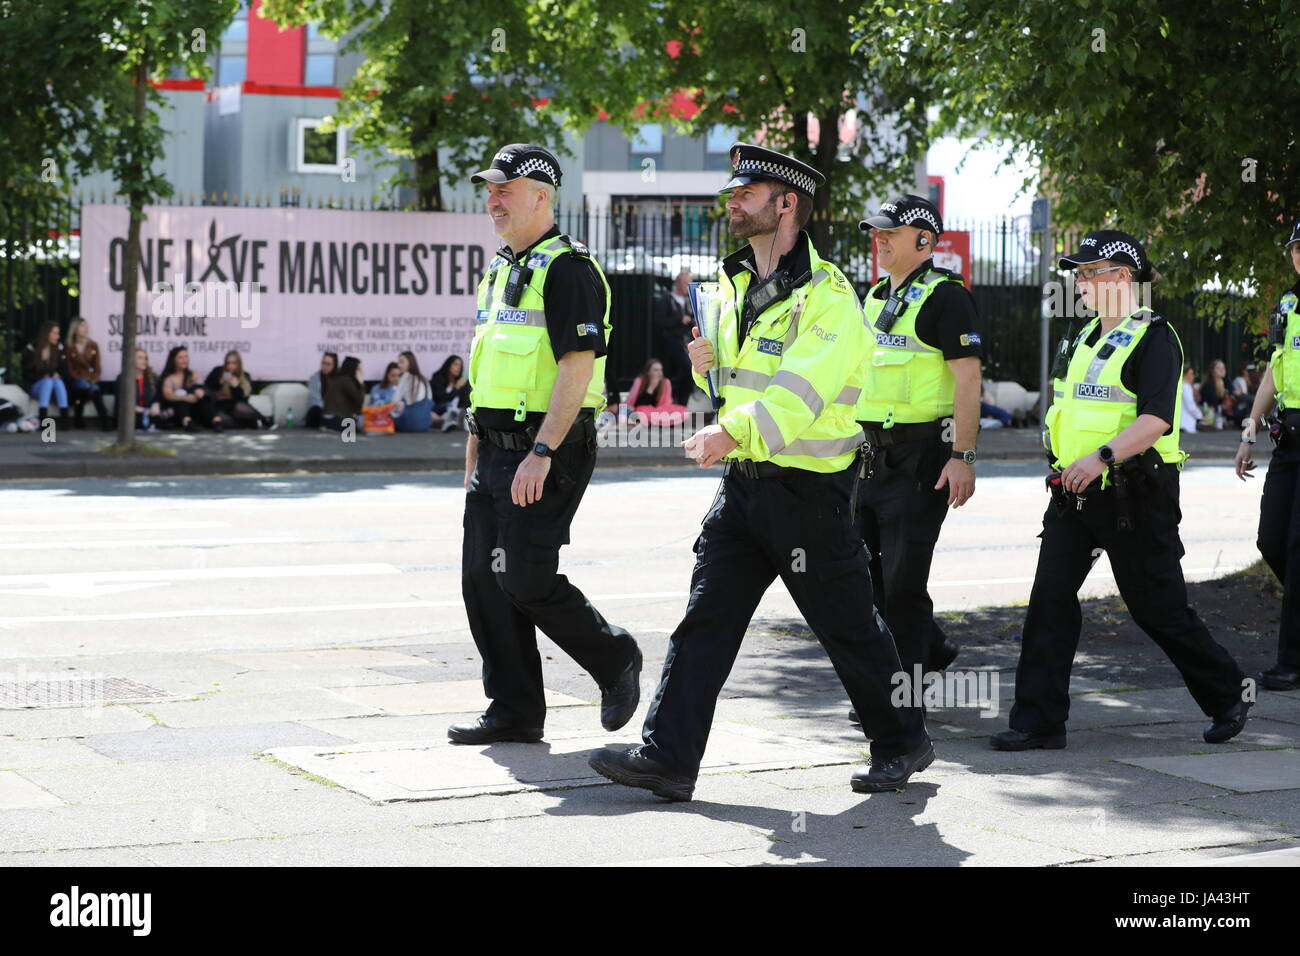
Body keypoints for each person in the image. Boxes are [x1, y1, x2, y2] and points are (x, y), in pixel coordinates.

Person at [588, 144, 932, 801]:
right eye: (734, 191)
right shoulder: (736, 283)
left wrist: (731, 431)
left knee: (851, 628)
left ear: (787, 204)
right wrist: (702, 366)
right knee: (704, 622)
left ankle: (902, 740)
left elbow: (802, 391)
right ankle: (669, 758)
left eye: (747, 192)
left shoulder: (828, 296)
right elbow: (740, 381)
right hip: (744, 486)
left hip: (809, 491)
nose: (733, 201)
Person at [992, 229, 1250, 752]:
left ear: (1123, 277)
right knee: (1049, 600)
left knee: (1158, 608)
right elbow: (1068, 406)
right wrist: (1068, 462)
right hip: (1074, 489)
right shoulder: (1081, 334)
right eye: (1079, 274)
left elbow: (1155, 419)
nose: (1080, 282)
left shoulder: (1156, 337)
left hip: (1135, 493)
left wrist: (1101, 457)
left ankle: (1228, 694)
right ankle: (1039, 721)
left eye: (1090, 273)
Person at [454, 143, 641, 745]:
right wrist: (476, 446)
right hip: (495, 444)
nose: (492, 199)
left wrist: (542, 451)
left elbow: (576, 369)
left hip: (546, 447)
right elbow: (487, 371)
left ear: (541, 195)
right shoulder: (500, 268)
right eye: (489, 189)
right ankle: (514, 710)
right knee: (484, 579)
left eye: (504, 188)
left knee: (526, 577)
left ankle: (614, 660)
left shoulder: (570, 271)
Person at [852, 194, 982, 713]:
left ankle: (903, 704)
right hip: (867, 455)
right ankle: (927, 650)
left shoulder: (948, 297)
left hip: (922, 456)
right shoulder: (877, 294)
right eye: (876, 231)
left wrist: (963, 457)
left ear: (924, 241)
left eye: (890, 232)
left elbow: (968, 381)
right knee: (863, 577)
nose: (879, 239)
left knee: (903, 583)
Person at [1233, 218, 1300, 690]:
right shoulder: (1289, 304)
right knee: (1271, 540)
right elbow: (1275, 372)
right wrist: (1250, 427)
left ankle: (1291, 663)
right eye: (1296, 248)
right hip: (1289, 438)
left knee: (1297, 548)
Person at [652, 269, 696, 405]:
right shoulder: (667, 299)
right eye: (685, 283)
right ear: (678, 283)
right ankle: (674, 403)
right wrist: (679, 319)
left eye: (689, 283)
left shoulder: (688, 301)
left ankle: (681, 406)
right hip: (672, 343)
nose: (687, 286)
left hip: (686, 343)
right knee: (685, 371)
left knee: (688, 374)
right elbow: (659, 321)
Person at [64, 318, 111, 430]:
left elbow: (97, 368)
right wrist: (81, 378)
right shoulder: (70, 347)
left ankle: (82, 419)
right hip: (76, 380)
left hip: (90, 379)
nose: (85, 329)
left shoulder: (93, 345)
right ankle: (104, 421)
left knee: (92, 388)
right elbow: (69, 369)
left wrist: (91, 379)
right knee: (85, 386)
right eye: (82, 326)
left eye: (86, 326)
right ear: (75, 329)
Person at [205, 350, 272, 429]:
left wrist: (236, 387)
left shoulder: (245, 376)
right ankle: (251, 424)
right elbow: (207, 387)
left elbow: (243, 400)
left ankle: (264, 420)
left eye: (233, 363)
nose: (230, 366)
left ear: (239, 364)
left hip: (235, 407)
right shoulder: (218, 371)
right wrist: (220, 382)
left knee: (240, 407)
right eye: (228, 363)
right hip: (220, 406)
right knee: (223, 420)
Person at [22, 320, 70, 427]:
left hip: (53, 386)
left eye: (58, 333)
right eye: (54, 333)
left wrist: (58, 374)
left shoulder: (59, 347)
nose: (57, 336)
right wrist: (42, 376)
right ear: (46, 333)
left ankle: (65, 419)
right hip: (36, 385)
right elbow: (26, 372)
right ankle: (43, 418)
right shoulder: (32, 348)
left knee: (57, 381)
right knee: (48, 381)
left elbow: (64, 370)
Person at [158, 345, 216, 431]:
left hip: (196, 407)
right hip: (178, 411)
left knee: (204, 399)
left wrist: (199, 392)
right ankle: (187, 422)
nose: (184, 360)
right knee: (181, 400)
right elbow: (167, 395)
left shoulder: (194, 374)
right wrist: (186, 398)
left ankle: (215, 421)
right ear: (174, 360)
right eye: (180, 357)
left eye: (186, 357)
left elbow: (202, 388)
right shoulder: (169, 379)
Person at [626, 357, 689, 425]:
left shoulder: (666, 382)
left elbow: (666, 405)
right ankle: (659, 421)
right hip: (641, 410)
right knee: (641, 411)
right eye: (656, 370)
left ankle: (659, 421)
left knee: (683, 410)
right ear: (648, 372)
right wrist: (651, 387)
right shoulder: (640, 381)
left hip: (658, 411)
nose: (659, 373)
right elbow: (635, 404)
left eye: (661, 370)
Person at [392, 350, 437, 432]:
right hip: (425, 424)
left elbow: (394, 400)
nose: (399, 365)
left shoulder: (406, 376)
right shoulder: (424, 379)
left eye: (402, 362)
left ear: (410, 363)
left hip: (409, 423)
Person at [322, 356, 364, 431]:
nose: (361, 372)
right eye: (359, 369)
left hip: (328, 418)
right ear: (353, 369)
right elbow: (359, 400)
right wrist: (361, 384)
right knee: (360, 426)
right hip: (336, 419)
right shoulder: (346, 380)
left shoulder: (338, 378)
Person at [432, 354, 471, 432]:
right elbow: (442, 398)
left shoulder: (462, 381)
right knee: (449, 406)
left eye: (460, 365)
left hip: (458, 410)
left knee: (464, 410)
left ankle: (454, 421)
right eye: (456, 364)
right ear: (448, 365)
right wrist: (456, 388)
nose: (458, 368)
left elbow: (466, 402)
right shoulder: (438, 378)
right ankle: (452, 421)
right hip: (441, 409)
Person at [305, 352, 338, 429]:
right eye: (323, 363)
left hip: (335, 412)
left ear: (334, 365)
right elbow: (316, 400)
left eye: (328, 364)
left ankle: (328, 424)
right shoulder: (315, 378)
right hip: (320, 411)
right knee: (315, 410)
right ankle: (328, 424)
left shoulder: (339, 379)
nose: (324, 366)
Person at [131, 347, 161, 431]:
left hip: (149, 412)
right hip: (134, 413)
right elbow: (123, 403)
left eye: (145, 358)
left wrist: (156, 404)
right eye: (140, 358)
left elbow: (158, 396)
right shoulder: (124, 378)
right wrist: (144, 410)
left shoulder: (152, 377)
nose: (144, 361)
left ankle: (152, 425)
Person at [1201, 358, 1231, 426]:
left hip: (1220, 416)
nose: (1222, 370)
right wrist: (1222, 407)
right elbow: (1212, 403)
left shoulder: (1225, 382)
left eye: (1223, 368)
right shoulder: (1210, 383)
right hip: (1210, 417)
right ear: (1212, 371)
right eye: (1218, 368)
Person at [1179, 365, 1203, 434]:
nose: (1192, 376)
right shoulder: (1185, 386)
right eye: (1191, 374)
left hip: (1184, 423)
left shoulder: (1184, 386)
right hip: (1186, 424)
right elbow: (1190, 405)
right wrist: (1200, 416)